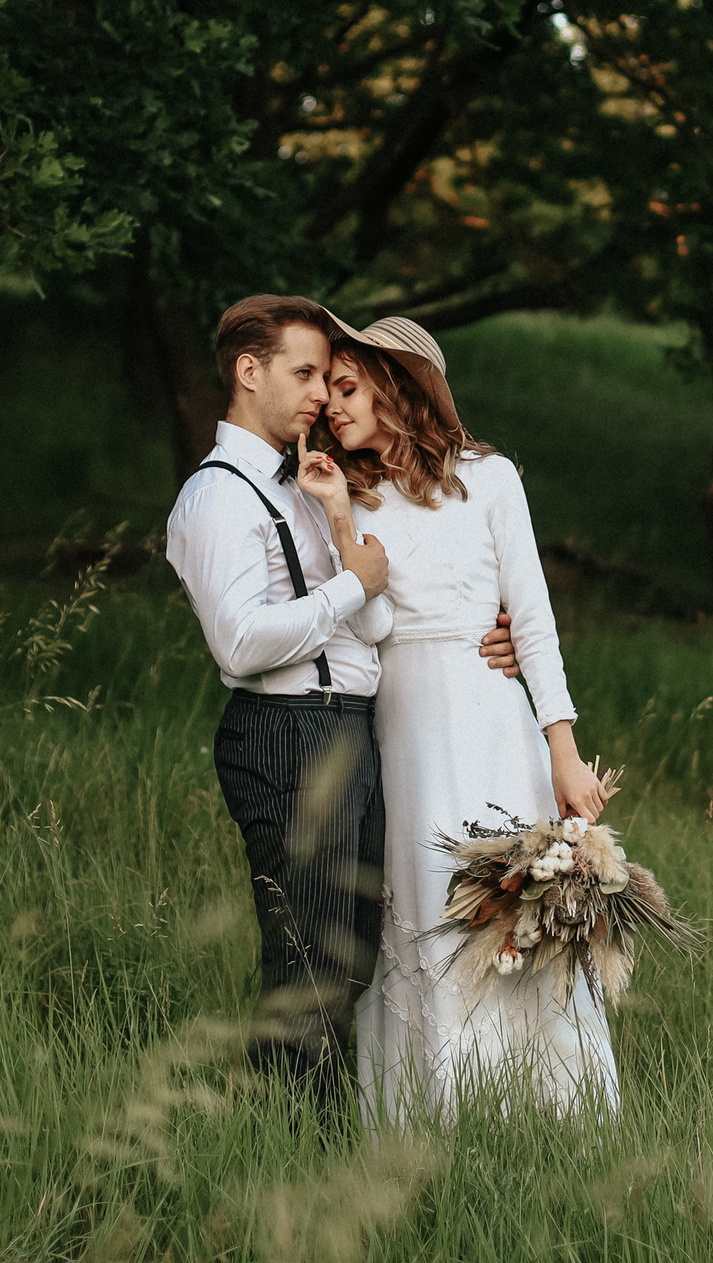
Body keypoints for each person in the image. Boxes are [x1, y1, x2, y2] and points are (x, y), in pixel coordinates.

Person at [162, 295, 516, 1110]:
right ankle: (294, 1147)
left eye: (328, 376)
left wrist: (483, 629)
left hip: (349, 730)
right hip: (288, 734)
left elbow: (383, 608)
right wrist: (351, 587)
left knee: (352, 954)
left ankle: (318, 1128)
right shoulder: (215, 497)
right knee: (309, 963)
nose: (322, 393)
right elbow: (242, 643)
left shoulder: (305, 482)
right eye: (306, 373)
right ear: (250, 373)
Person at [298, 314, 620, 1121]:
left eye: (347, 387)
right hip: (402, 723)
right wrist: (341, 523)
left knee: (508, 903)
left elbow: (534, 619)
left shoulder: (492, 479)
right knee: (421, 900)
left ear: (398, 384)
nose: (332, 408)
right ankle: (430, 1109)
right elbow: (369, 630)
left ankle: (540, 1106)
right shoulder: (355, 493)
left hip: (487, 721)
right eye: (327, 390)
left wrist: (565, 754)